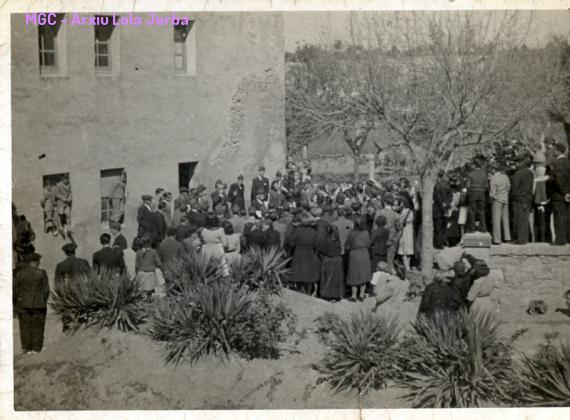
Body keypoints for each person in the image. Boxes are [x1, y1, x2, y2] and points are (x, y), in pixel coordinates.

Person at [13, 253, 50, 354]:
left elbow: (15, 289)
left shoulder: (20, 273)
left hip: (23, 303)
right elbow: (46, 290)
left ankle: (26, 348)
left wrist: (17, 301)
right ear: (36, 262)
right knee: (38, 326)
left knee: (24, 326)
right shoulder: (42, 273)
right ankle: (36, 348)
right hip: (39, 303)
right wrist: (43, 299)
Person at [286, 214, 320, 295]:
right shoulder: (314, 232)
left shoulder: (297, 231)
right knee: (308, 273)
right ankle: (308, 291)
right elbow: (317, 244)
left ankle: (300, 290)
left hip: (298, 253)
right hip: (310, 253)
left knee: (299, 273)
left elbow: (291, 242)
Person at [345, 216, 371, 302]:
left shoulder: (351, 233)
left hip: (354, 254)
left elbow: (347, 246)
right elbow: (368, 244)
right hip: (364, 253)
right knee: (363, 273)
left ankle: (354, 295)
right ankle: (361, 295)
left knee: (354, 274)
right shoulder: (366, 233)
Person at [511, 154, 535, 244]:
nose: (515, 165)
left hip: (518, 199)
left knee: (519, 219)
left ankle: (520, 239)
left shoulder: (518, 173)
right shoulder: (530, 173)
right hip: (528, 198)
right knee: (525, 219)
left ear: (520, 163)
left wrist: (513, 197)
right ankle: (524, 239)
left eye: (516, 163)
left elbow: (514, 187)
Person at [549, 143, 570, 245]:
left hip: (559, 194)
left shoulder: (557, 163)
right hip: (568, 194)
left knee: (559, 217)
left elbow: (559, 179)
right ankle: (567, 238)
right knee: (567, 217)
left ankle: (560, 240)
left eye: (554, 150)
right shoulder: (568, 162)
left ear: (557, 151)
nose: (553, 151)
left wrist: (565, 193)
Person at [317, 225, 345, 301]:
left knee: (327, 277)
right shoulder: (338, 240)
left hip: (328, 260)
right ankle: (336, 295)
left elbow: (321, 251)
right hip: (337, 260)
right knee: (336, 278)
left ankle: (326, 294)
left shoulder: (326, 240)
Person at [375, 194, 401, 272]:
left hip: (380, 240)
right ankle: (388, 274)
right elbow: (399, 229)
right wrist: (396, 239)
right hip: (392, 240)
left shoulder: (378, 213)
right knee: (390, 261)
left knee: (379, 261)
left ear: (384, 202)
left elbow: (374, 227)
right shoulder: (396, 215)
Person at [489, 165, 511, 244]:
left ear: (494, 170)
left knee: (496, 220)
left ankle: (497, 239)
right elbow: (508, 188)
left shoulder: (493, 178)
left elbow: (492, 193)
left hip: (497, 200)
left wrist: (491, 199)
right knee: (505, 219)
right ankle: (507, 237)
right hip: (505, 199)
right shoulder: (506, 177)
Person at [135, 236, 162, 301]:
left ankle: (141, 299)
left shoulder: (138, 252)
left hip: (141, 271)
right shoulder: (153, 251)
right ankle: (148, 299)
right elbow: (159, 263)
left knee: (141, 288)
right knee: (150, 288)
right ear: (149, 243)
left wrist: (136, 273)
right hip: (150, 272)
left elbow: (136, 265)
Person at [466, 157, 489, 232]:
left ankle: (472, 228)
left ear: (474, 165)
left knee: (472, 211)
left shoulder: (471, 174)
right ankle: (483, 228)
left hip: (473, 192)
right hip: (482, 193)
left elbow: (468, 186)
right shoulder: (484, 174)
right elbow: (487, 186)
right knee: (482, 211)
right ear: (481, 165)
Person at [397, 196, 414, 271]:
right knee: (408, 251)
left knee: (403, 250)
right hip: (410, 231)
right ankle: (408, 267)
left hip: (404, 231)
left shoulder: (403, 212)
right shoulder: (411, 211)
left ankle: (406, 267)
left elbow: (399, 222)